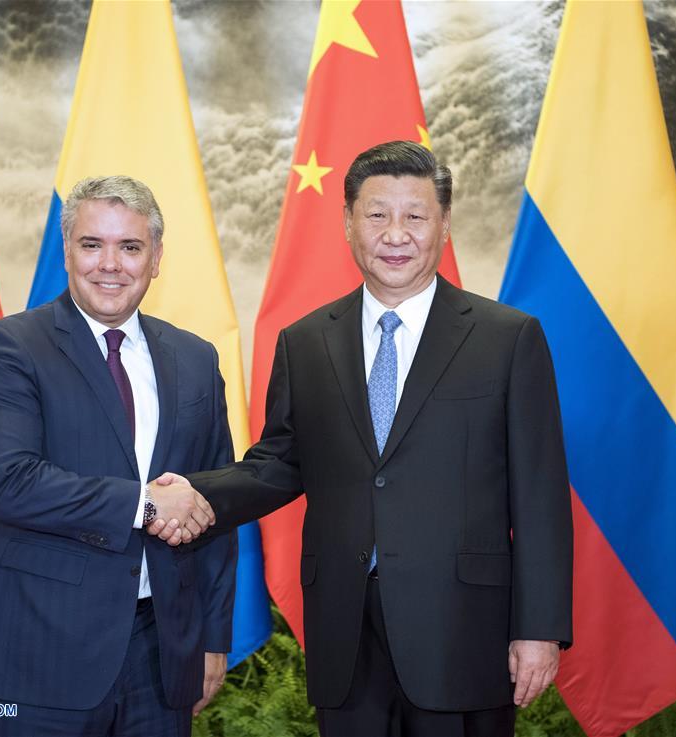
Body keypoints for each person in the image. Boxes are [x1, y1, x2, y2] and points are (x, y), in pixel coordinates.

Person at [152, 141, 573, 737]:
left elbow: (540, 495)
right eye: (377, 215)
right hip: (344, 631)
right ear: (348, 223)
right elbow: (279, 463)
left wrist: (539, 627)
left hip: (462, 629)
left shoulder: (507, 340)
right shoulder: (305, 342)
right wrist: (192, 493)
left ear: (444, 225)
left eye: (415, 215)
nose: (395, 233)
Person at [0, 175, 237, 737]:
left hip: (162, 654)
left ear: (155, 260)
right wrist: (145, 505)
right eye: (91, 244)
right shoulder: (8, 348)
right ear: (67, 252)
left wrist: (212, 637)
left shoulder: (197, 359)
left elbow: (212, 506)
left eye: (130, 247)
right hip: (36, 654)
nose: (110, 264)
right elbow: (11, 482)